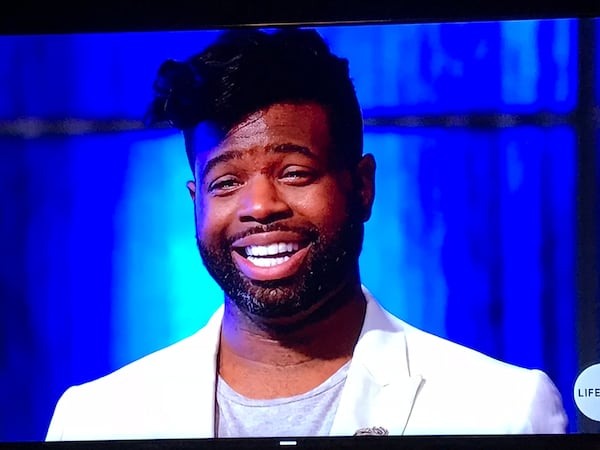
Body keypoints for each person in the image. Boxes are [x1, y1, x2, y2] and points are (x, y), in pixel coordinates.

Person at [46, 27, 567, 441]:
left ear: (361, 186)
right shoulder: (95, 419)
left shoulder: (501, 409)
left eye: (294, 173)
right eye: (226, 182)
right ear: (196, 202)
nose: (260, 207)